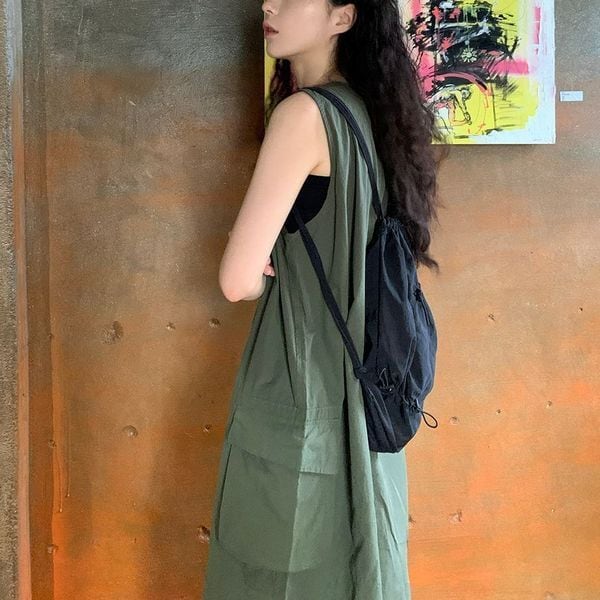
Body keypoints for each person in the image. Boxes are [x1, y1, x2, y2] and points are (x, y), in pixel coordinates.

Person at [203, 1, 447, 598]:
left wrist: (259, 266)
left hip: (302, 385)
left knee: (283, 566)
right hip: (365, 393)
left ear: (343, 17)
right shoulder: (370, 113)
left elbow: (236, 281)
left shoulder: (302, 116)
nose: (270, 4)